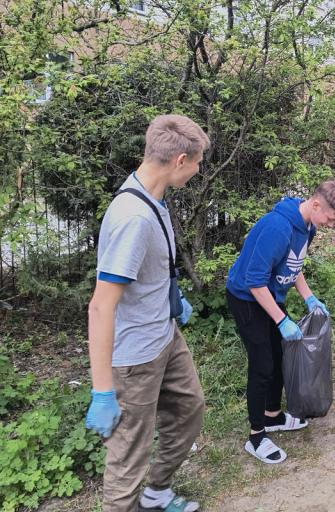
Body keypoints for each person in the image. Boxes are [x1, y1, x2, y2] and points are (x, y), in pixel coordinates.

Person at [85, 114, 209, 512]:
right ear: (180, 161)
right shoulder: (133, 218)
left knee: (189, 409)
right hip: (134, 357)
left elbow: (151, 270)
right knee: (127, 461)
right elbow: (102, 305)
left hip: (164, 336)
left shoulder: (151, 197)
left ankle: (156, 494)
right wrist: (103, 391)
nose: (198, 169)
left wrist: (172, 300)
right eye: (198, 162)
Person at [225, 181, 335, 464]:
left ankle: (272, 416)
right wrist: (282, 319)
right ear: (316, 204)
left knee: (281, 354)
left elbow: (293, 266)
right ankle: (256, 436)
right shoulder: (278, 228)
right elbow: (254, 281)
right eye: (331, 218)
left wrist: (309, 298)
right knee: (262, 365)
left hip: (270, 295)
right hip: (247, 297)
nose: (332, 225)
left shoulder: (308, 227)